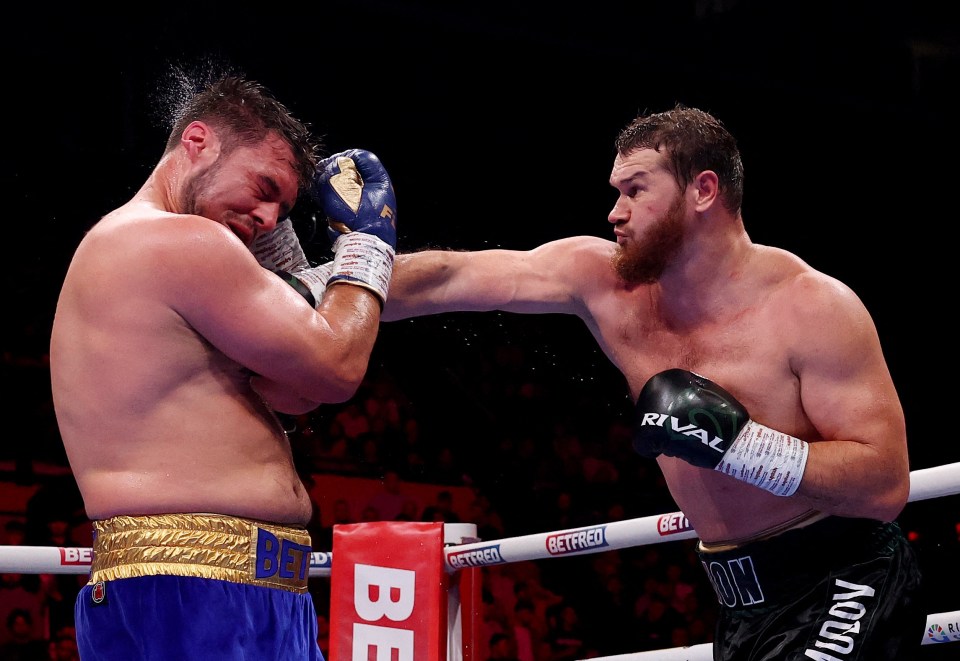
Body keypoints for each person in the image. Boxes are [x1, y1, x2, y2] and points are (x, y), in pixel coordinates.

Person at [374, 104, 923, 659]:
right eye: (617, 191)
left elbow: (884, 486)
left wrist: (744, 446)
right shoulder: (604, 283)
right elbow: (451, 277)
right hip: (739, 603)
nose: (615, 213)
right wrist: (322, 282)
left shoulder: (811, 308)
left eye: (636, 191)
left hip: (846, 577)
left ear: (703, 190)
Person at [49, 73, 398, 660]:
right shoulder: (182, 242)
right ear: (198, 140)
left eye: (281, 210)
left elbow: (293, 393)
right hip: (198, 589)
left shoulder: (130, 246)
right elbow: (334, 367)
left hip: (206, 585)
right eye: (263, 186)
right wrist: (369, 246)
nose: (266, 215)